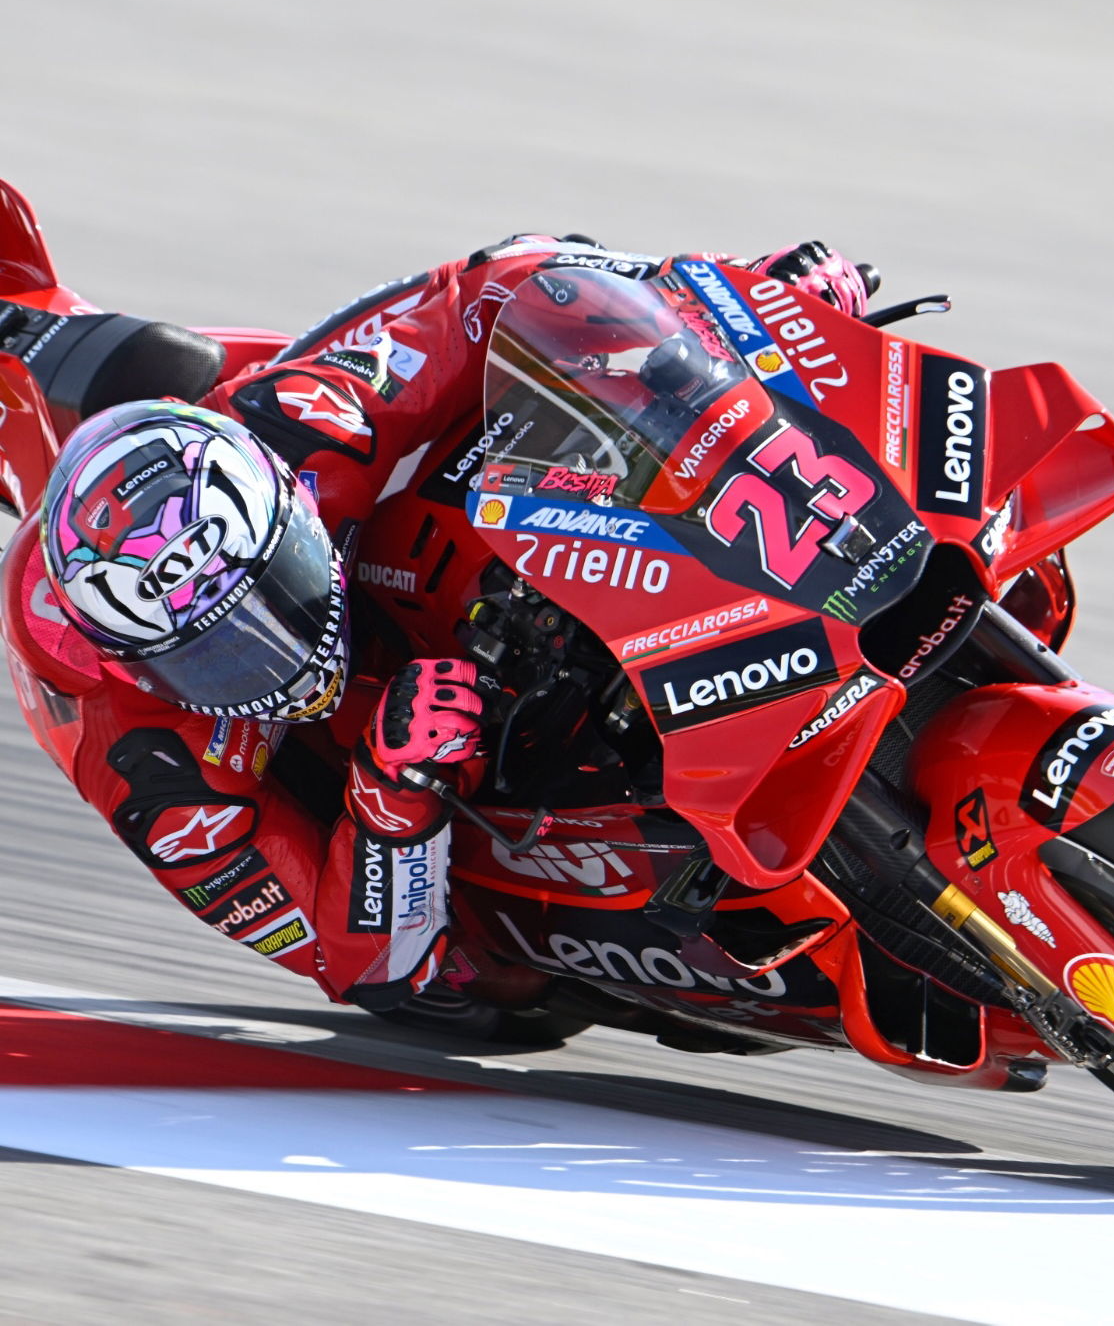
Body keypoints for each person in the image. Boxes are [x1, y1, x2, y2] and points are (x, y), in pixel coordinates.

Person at [0, 235, 872, 1023]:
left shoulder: (309, 424)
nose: (281, 654)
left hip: (367, 505)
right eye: (219, 654)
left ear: (293, 509)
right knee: (486, 991)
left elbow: (507, 282)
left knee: (567, 387)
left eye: (279, 592)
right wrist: (390, 795)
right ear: (141, 662)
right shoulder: (146, 765)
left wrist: (741, 319)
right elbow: (365, 968)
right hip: (359, 780)